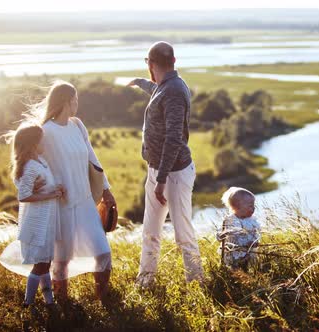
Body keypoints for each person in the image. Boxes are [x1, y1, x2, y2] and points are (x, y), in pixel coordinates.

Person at [26, 80, 116, 303]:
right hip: (61, 205)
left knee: (103, 252)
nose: (77, 103)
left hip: (85, 201)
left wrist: (106, 190)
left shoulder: (77, 125)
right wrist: (37, 185)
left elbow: (92, 159)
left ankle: (103, 300)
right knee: (62, 259)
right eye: (75, 99)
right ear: (67, 101)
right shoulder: (46, 132)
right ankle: (62, 304)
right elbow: (30, 161)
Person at [127, 41, 204, 287]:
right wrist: (141, 83)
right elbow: (158, 92)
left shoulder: (173, 91)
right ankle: (145, 282)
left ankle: (196, 283)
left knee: (183, 233)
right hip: (157, 170)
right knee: (150, 231)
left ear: (151, 63)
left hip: (174, 174)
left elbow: (174, 139)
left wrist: (161, 180)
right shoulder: (167, 86)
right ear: (173, 61)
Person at [0, 124, 65, 307]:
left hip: (47, 220)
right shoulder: (30, 167)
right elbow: (24, 195)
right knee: (40, 265)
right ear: (34, 143)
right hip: (37, 223)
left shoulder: (40, 162)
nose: (45, 143)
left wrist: (54, 189)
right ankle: (28, 303)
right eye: (42, 140)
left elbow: (42, 186)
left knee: (46, 263)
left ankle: (49, 302)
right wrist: (52, 195)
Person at [216, 187, 261, 270]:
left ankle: (249, 277)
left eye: (254, 205)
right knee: (234, 268)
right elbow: (220, 234)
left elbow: (257, 232)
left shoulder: (252, 220)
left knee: (249, 266)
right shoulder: (229, 220)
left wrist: (255, 241)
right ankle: (234, 278)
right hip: (234, 252)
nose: (253, 208)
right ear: (237, 206)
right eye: (250, 206)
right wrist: (221, 235)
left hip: (249, 250)